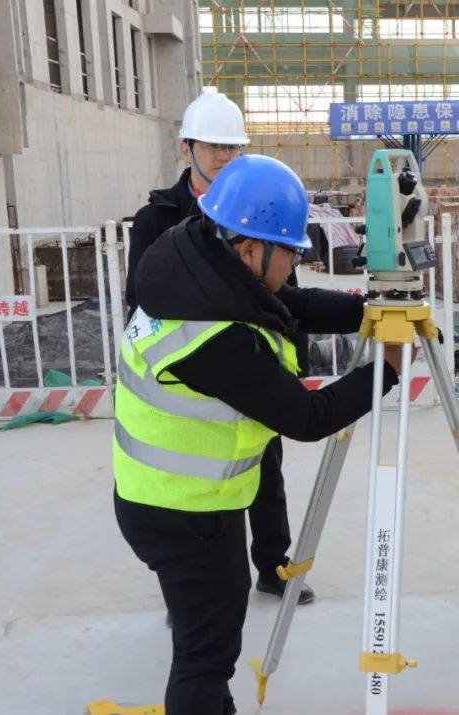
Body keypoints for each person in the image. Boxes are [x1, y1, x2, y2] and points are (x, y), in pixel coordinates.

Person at [113, 154, 405, 715]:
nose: (295, 263)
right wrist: (388, 370)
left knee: (207, 643)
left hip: (170, 501)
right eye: (290, 252)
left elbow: (287, 304)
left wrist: (366, 312)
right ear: (249, 249)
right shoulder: (214, 338)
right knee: (205, 656)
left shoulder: (196, 271)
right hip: (184, 517)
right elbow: (307, 418)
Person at [127, 91, 314, 605]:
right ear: (186, 148)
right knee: (191, 488)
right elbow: (140, 300)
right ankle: (190, 589)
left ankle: (273, 565)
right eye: (214, 147)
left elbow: (281, 294)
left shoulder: (258, 203)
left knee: (265, 471)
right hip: (191, 376)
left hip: (249, 368)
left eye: (233, 147)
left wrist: (291, 364)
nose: (224, 157)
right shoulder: (158, 218)